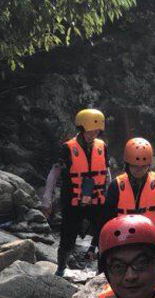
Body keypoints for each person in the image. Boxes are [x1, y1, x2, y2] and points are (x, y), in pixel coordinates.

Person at [41, 109, 111, 276]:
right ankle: (61, 269)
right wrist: (47, 199)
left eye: (97, 131)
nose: (94, 134)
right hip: (74, 200)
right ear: (82, 127)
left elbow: (106, 172)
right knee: (67, 235)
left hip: (97, 199)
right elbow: (54, 172)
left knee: (103, 234)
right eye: (91, 130)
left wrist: (111, 192)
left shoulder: (101, 147)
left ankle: (102, 271)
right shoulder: (68, 148)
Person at [100, 137, 155, 254]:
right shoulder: (116, 185)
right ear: (127, 164)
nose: (139, 170)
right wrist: (97, 244)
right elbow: (106, 218)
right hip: (123, 241)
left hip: (152, 241)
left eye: (143, 166)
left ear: (148, 165)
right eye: (135, 166)